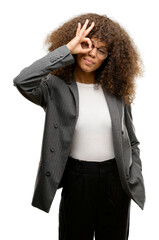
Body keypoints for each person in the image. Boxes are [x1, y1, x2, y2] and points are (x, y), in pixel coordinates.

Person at [13, 13, 146, 240]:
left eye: (101, 50)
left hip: (116, 181)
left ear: (109, 58)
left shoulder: (116, 91)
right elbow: (22, 81)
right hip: (77, 179)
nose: (92, 53)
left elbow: (132, 139)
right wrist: (67, 50)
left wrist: (135, 173)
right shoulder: (54, 88)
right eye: (88, 44)